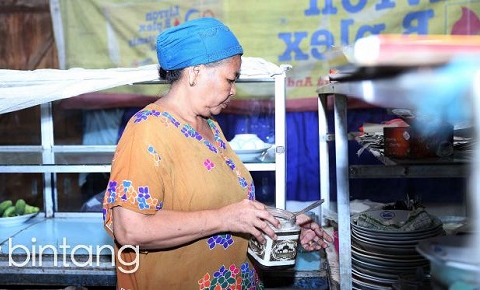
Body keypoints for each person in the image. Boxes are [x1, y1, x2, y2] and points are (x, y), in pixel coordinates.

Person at [102, 17, 332, 290]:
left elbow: (218, 205)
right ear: (196, 72)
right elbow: (130, 229)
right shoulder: (147, 130)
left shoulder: (210, 127)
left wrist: (277, 223)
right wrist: (225, 218)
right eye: (229, 79)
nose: (233, 90)